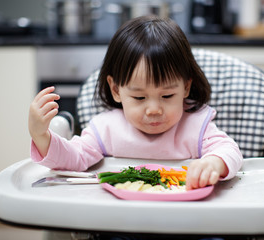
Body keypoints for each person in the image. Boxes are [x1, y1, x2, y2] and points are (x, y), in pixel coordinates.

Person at [29, 15, 243, 190]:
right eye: (139, 97)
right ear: (116, 90)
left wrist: (214, 163)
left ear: (186, 87)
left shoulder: (196, 128)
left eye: (167, 96)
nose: (154, 110)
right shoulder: (105, 131)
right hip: (122, 220)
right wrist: (41, 135)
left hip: (185, 218)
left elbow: (229, 150)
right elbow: (73, 160)